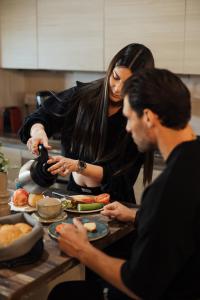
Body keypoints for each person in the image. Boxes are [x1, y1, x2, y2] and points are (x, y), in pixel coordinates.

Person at [48, 69, 200, 300]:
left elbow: (139, 286)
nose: (128, 128)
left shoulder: (168, 189)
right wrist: (137, 216)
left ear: (148, 117)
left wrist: (82, 250)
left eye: (129, 118)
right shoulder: (192, 158)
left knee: (62, 294)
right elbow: (184, 225)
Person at [19, 43, 155, 203]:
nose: (117, 89)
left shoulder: (138, 117)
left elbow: (121, 177)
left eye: (128, 85)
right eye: (115, 77)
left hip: (115, 202)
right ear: (110, 69)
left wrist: (78, 166)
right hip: (74, 195)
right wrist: (38, 132)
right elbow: (41, 117)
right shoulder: (81, 96)